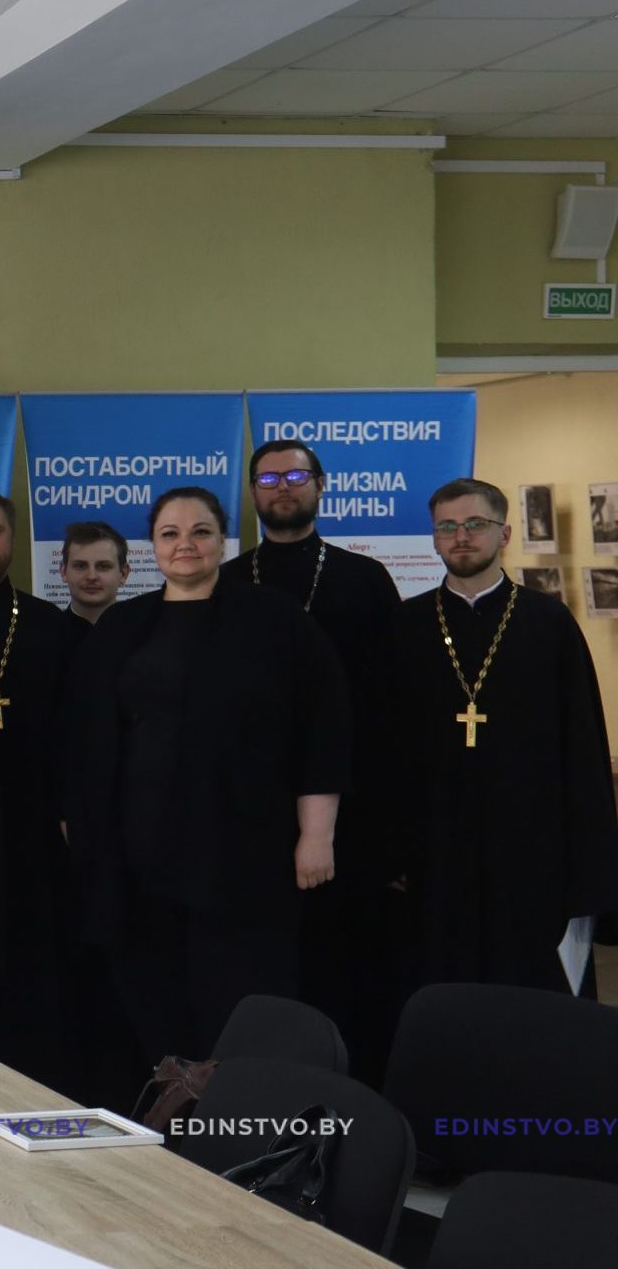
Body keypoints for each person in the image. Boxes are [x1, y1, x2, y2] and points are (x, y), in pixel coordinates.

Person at [66, 487, 350, 1067]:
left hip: (244, 857)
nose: (186, 544)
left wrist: (317, 835)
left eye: (200, 532)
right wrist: (80, 827)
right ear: (152, 547)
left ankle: (242, 1114)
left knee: (240, 1003)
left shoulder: (275, 620)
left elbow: (322, 727)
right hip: (140, 859)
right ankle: (173, 1108)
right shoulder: (122, 626)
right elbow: (84, 736)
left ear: (223, 541)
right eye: (170, 533)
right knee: (153, 1003)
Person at [220, 438, 407, 1075]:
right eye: (269, 479)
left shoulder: (364, 579)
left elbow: (393, 709)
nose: (283, 488)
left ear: (321, 486)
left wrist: (393, 832)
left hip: (355, 807)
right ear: (252, 492)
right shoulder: (227, 582)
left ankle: (355, 1096)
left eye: (296, 476)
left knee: (348, 961)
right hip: (253, 810)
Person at [395, 479, 617, 995]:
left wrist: (590, 861)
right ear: (434, 538)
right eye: (447, 527)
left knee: (530, 994)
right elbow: (387, 749)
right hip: (436, 847)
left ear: (505, 533)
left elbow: (582, 746)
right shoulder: (405, 625)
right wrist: (391, 851)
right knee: (445, 991)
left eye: (475, 524)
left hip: (532, 846)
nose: (461, 537)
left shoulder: (549, 623)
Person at [0, 491, 99, 1094]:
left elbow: (81, 732)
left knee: (39, 960)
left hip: (37, 823)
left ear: (13, 539)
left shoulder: (51, 626)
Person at [59, 521, 129, 627]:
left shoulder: (146, 634)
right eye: (80, 566)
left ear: (123, 574)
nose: (91, 576)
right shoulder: (45, 634)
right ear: (64, 572)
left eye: (103, 566)